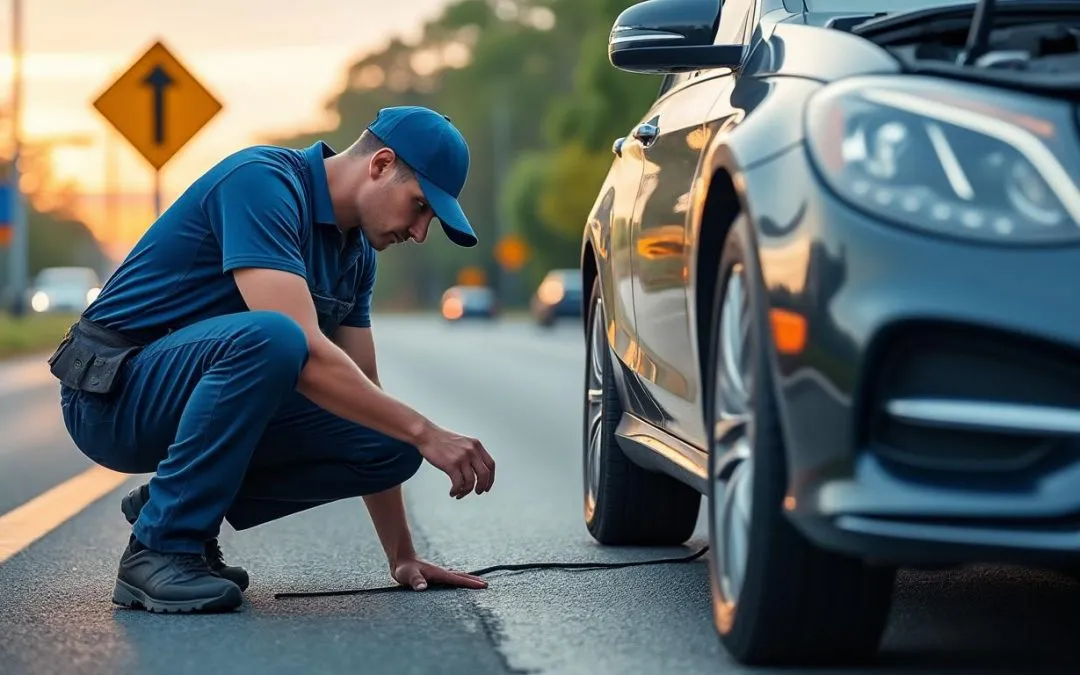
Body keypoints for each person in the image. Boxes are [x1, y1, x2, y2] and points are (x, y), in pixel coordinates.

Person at [49, 105, 497, 614]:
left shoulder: (356, 256)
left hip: (185, 393)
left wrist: (403, 555)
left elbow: (365, 387)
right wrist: (428, 431)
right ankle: (161, 546)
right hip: (111, 396)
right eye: (420, 207)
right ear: (380, 164)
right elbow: (301, 349)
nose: (419, 232)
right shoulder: (262, 183)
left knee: (388, 447)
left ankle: (173, 505)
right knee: (279, 337)